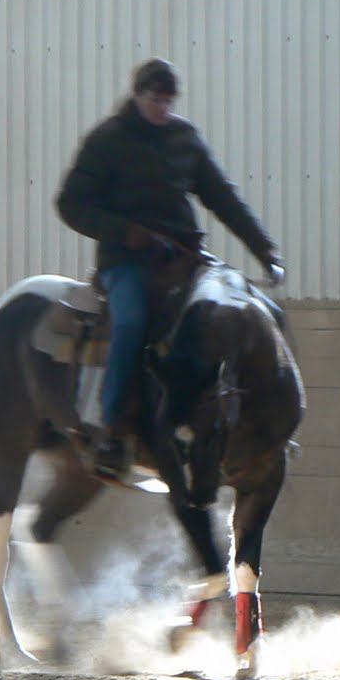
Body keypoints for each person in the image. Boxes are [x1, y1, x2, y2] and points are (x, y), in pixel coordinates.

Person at [56, 58, 284, 476]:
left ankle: (262, 422)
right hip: (125, 261)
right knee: (131, 322)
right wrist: (126, 233)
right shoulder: (106, 141)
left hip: (184, 256)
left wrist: (263, 248)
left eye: (168, 101)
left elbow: (223, 197)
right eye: (155, 99)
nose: (162, 108)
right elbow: (69, 204)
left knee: (251, 312)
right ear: (137, 95)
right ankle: (113, 427)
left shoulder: (185, 138)